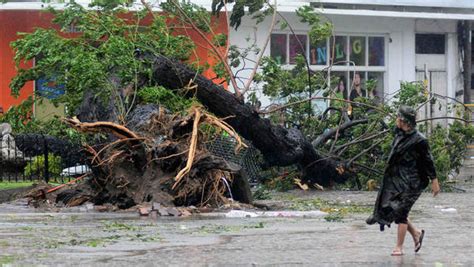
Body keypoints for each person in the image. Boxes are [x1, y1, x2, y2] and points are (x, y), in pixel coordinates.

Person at [366, 106, 440, 256]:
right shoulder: (399, 133)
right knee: (396, 209)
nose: (395, 120)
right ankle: (416, 234)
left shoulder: (420, 140)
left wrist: (434, 180)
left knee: (401, 212)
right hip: (398, 179)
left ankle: (399, 247)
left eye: (398, 117)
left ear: (403, 121)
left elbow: (428, 161)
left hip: (413, 182)